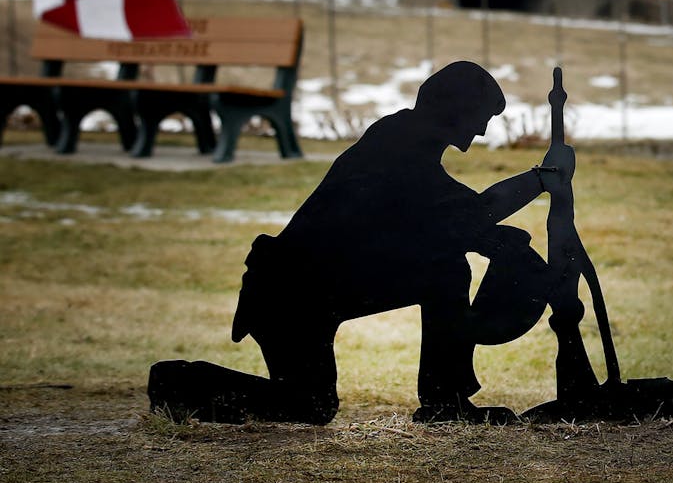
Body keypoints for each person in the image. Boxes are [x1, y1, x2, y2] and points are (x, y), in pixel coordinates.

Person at [149, 61, 594, 424]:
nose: (480, 131)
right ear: (456, 108)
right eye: (481, 117)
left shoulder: (406, 141)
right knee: (307, 406)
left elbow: (447, 220)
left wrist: (516, 214)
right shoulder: (398, 144)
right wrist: (540, 180)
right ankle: (179, 383)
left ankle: (445, 402)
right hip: (291, 294)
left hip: (320, 289)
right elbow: (465, 215)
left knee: (443, 268)